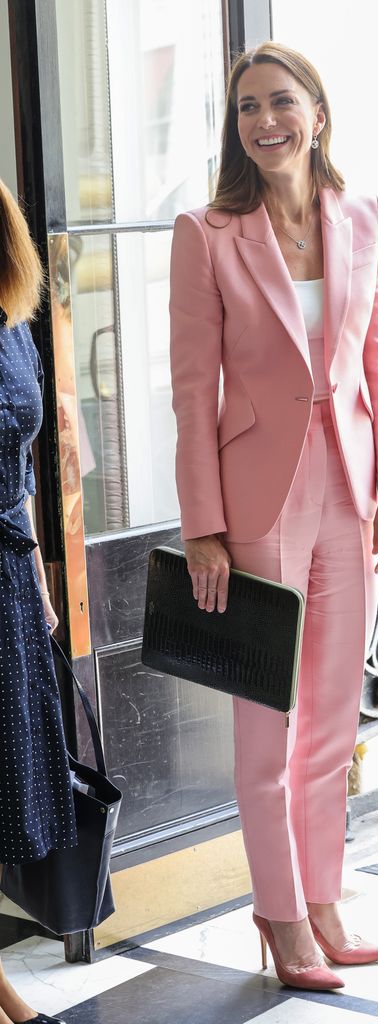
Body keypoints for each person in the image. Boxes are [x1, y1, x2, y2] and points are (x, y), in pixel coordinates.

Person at [169, 42, 378, 991]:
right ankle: (278, 916)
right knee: (266, 720)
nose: (263, 122)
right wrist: (202, 525)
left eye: (279, 102)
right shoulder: (208, 232)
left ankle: (323, 901)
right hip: (256, 500)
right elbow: (195, 393)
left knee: (329, 723)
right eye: (245, 109)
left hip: (349, 490)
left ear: (317, 112)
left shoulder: (368, 216)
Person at [0, 179, 77, 1024]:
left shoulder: (13, 320)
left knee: (7, 781)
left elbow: (21, 465)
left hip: (8, 575)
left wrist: (42, 576)